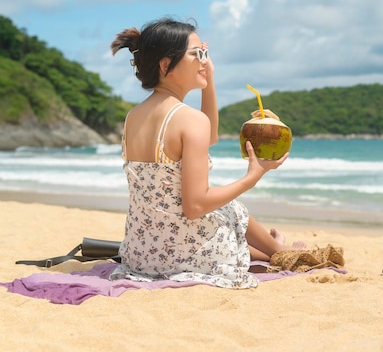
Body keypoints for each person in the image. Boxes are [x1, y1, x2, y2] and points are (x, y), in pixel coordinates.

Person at [109, 17, 305, 288]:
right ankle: (279, 251)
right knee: (231, 207)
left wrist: (208, 77)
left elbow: (208, 135)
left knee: (223, 213)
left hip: (141, 255)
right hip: (181, 257)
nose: (204, 60)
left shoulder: (133, 116)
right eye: (197, 54)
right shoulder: (188, 119)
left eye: (206, 52)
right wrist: (253, 176)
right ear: (166, 65)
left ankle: (276, 249)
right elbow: (196, 206)